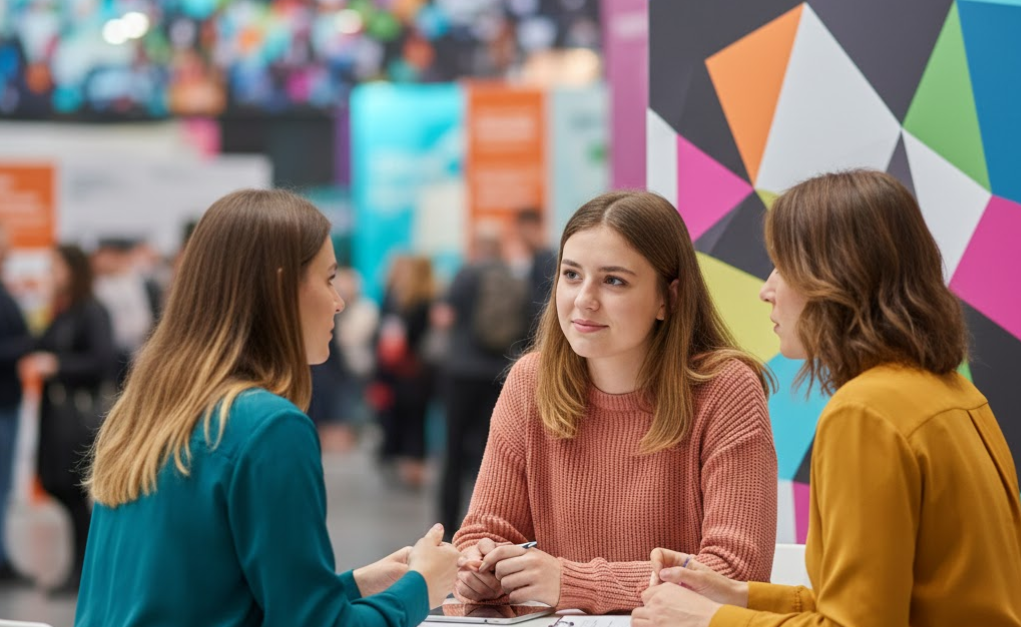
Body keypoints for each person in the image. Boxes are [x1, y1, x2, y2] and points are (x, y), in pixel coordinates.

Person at [635, 170, 1021, 627]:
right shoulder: (956, 394)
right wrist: (738, 595)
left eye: (782, 267)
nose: (766, 290)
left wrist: (709, 620)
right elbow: (888, 602)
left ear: (834, 279)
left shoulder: (865, 413)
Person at [75, 189, 461, 626]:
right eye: (329, 278)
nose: (339, 301)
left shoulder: (143, 410)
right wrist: (420, 587)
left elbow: (206, 597)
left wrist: (354, 585)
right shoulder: (269, 427)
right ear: (282, 286)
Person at [452, 190, 778, 614]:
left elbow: (735, 572)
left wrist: (573, 582)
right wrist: (480, 566)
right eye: (571, 275)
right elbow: (487, 528)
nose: (584, 300)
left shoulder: (725, 389)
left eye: (613, 281)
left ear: (669, 298)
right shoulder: (529, 381)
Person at [20, 244, 116, 596]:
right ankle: (79, 571)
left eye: (55, 267)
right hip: (57, 418)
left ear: (73, 270)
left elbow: (102, 360)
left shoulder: (92, 311)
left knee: (76, 495)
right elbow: (38, 343)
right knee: (62, 490)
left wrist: (57, 366)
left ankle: (85, 573)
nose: (51, 274)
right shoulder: (63, 310)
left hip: (76, 419)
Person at [0, 223, 33, 586]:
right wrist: (25, 347)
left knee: (5, 486)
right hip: (3, 402)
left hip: (8, 402)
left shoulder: (6, 292)